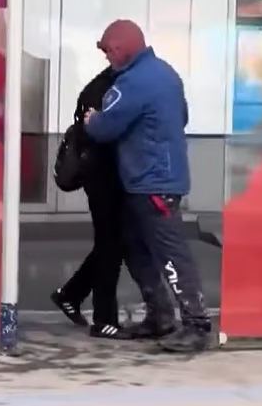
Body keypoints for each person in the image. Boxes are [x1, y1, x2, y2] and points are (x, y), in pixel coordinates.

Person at [84, 19, 210, 353]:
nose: (107, 58)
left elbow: (105, 128)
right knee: (137, 248)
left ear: (121, 48)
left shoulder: (133, 83)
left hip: (152, 183)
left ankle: (196, 324)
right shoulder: (165, 74)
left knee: (169, 253)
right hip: (157, 179)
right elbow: (180, 116)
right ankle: (160, 317)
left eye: (108, 50)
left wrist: (91, 119)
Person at [50, 67, 171, 340]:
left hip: (111, 178)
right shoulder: (109, 91)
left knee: (114, 244)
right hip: (106, 179)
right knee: (110, 246)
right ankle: (103, 319)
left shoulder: (104, 87)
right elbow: (102, 133)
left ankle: (71, 294)